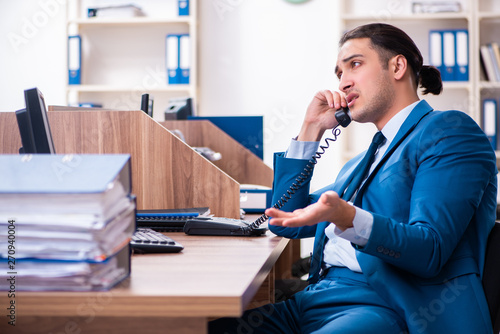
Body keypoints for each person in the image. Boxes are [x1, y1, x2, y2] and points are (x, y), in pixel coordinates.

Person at [209, 23, 497, 334]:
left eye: (355, 65)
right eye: (339, 74)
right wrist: (311, 129)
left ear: (397, 66)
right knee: (198, 328)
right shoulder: (362, 161)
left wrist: (349, 218)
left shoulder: (449, 131)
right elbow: (285, 219)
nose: (344, 82)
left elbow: (430, 250)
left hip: (386, 304)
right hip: (316, 299)